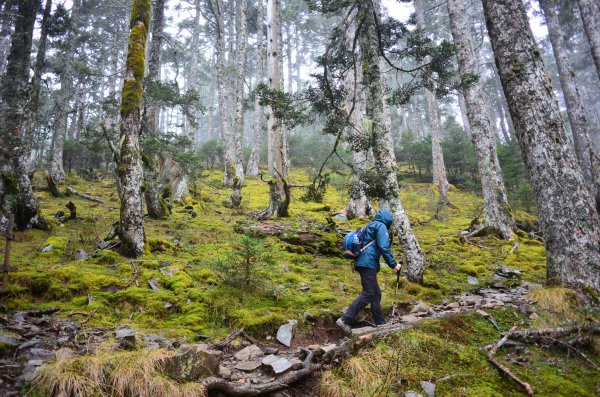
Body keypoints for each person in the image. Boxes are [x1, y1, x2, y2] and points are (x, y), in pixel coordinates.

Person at [336, 209, 402, 335]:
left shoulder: (370, 225)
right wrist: (394, 265)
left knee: (375, 293)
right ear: (388, 220)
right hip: (368, 263)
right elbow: (383, 247)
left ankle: (380, 322)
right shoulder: (381, 226)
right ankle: (345, 319)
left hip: (363, 262)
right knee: (369, 292)